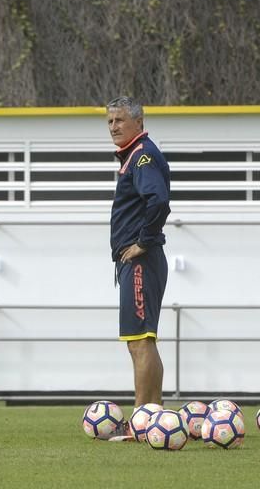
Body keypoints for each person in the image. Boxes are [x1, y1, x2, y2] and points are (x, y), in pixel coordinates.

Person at [106, 96, 171, 440]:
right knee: (143, 340)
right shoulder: (133, 155)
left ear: (138, 121)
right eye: (109, 122)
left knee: (139, 342)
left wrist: (143, 242)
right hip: (137, 262)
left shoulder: (143, 155)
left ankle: (140, 422)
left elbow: (158, 200)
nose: (113, 127)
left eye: (119, 120)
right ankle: (153, 420)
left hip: (141, 261)